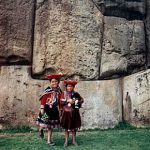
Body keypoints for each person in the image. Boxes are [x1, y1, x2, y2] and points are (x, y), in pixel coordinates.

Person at [36, 74, 63, 146]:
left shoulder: (59, 92)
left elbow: (60, 102)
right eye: (52, 81)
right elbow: (43, 100)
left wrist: (60, 110)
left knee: (50, 127)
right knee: (43, 123)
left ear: (58, 82)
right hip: (46, 110)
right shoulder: (47, 91)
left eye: (56, 81)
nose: (54, 83)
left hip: (54, 111)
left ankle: (49, 141)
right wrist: (42, 109)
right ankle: (40, 130)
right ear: (50, 83)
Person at [60, 80, 84, 147]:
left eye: (71, 86)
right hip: (66, 113)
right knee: (66, 127)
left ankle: (74, 140)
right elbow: (61, 101)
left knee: (74, 128)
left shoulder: (76, 93)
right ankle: (66, 141)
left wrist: (74, 101)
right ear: (66, 87)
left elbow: (81, 100)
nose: (69, 88)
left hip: (74, 113)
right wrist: (67, 101)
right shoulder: (63, 93)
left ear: (73, 87)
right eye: (68, 86)